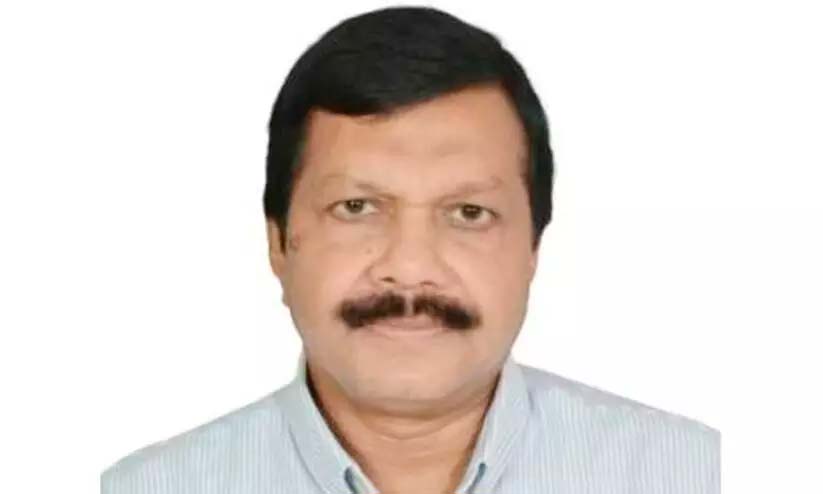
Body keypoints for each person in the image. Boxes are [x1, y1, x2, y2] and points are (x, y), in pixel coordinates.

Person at [101, 6, 719, 494]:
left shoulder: (698, 475)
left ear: (533, 248)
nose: (411, 268)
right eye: (357, 207)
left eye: (469, 213)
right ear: (278, 243)